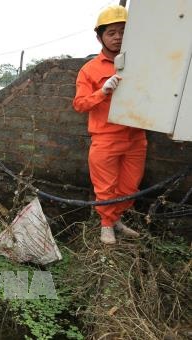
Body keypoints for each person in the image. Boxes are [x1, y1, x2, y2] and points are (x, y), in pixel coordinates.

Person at [73, 5, 146, 245]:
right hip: (105, 137)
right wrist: (102, 92)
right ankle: (106, 225)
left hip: (136, 137)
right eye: (111, 32)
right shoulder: (90, 69)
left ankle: (116, 220)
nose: (118, 37)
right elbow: (80, 104)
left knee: (129, 187)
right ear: (100, 37)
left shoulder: (142, 64)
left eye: (123, 31)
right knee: (105, 188)